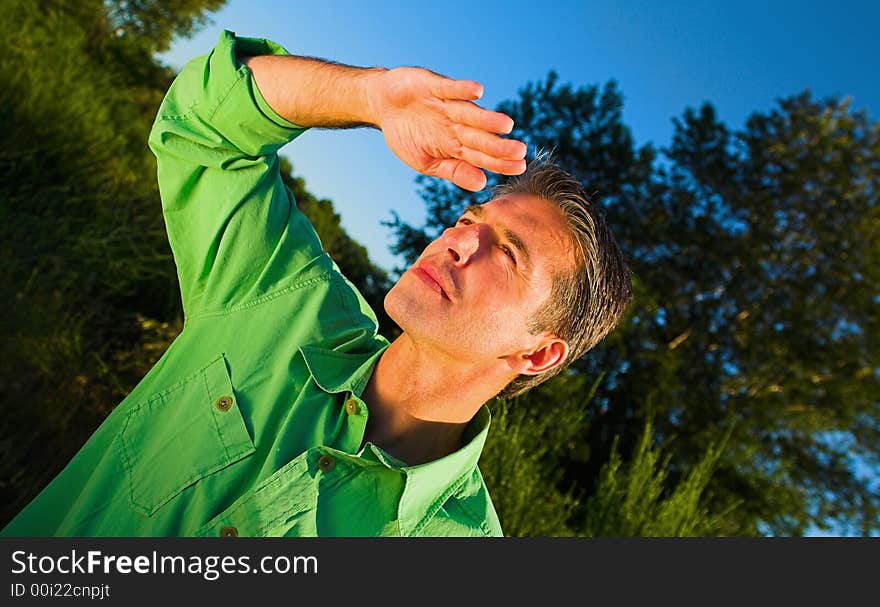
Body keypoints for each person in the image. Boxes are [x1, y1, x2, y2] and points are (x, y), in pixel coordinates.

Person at [1, 30, 631, 537]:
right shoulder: (282, 298)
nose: (460, 239)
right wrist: (369, 98)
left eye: (509, 254)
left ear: (537, 352)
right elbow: (204, 127)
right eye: (471, 218)